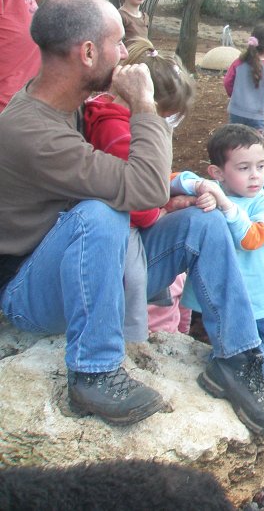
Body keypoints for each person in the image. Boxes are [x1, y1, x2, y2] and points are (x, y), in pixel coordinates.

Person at [0, 0, 264, 436]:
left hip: (88, 270)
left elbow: (141, 184)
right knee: (102, 212)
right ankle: (94, 372)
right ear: (88, 52)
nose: (125, 53)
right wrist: (145, 108)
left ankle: (236, 358)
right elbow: (141, 189)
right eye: (118, 42)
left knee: (204, 221)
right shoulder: (31, 130)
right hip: (29, 293)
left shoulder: (67, 104)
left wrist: (186, 187)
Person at [171, 125, 264, 414]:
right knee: (229, 367)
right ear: (218, 173)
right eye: (243, 167)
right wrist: (198, 189)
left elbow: (251, 238)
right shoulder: (213, 191)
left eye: (261, 166)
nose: (255, 175)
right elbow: (175, 179)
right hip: (224, 309)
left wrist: (224, 204)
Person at [82, 38, 195, 343]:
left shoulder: (106, 115)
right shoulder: (119, 131)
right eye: (163, 115)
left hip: (112, 210)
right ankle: (132, 342)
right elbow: (140, 202)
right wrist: (158, 211)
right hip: (120, 218)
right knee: (134, 278)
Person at [224, 23, 264, 134]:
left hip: (236, 111)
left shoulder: (238, 63)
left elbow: (227, 83)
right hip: (257, 116)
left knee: (233, 143)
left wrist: (236, 95)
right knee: (255, 145)